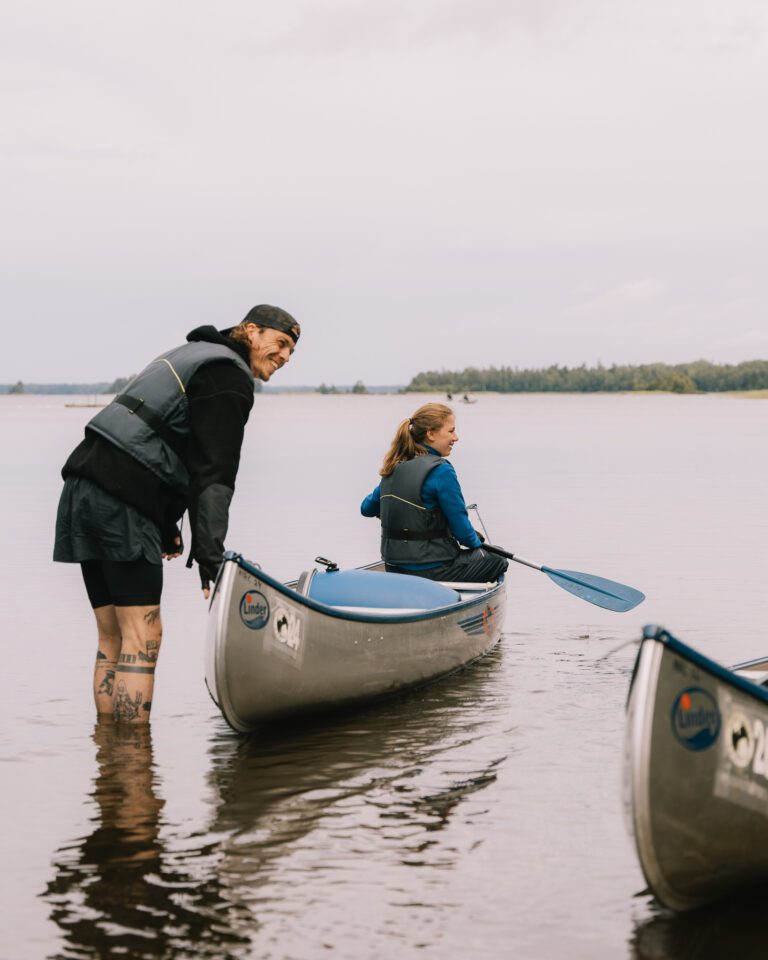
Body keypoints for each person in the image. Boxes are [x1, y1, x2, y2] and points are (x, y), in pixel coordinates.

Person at [53, 304, 300, 723]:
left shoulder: (191, 355)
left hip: (83, 488)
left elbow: (158, 436)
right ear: (251, 331)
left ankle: (110, 763)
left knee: (112, 636)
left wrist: (167, 525)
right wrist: (210, 554)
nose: (285, 357)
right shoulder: (229, 376)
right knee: (143, 636)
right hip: (122, 498)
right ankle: (133, 768)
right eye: (281, 344)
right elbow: (215, 473)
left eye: (292, 352)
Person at [360, 403, 508, 583]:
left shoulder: (395, 466)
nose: (456, 438)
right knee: (498, 559)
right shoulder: (441, 471)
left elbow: (366, 508)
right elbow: (464, 534)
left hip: (394, 568)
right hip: (434, 571)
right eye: (451, 431)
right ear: (430, 434)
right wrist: (477, 543)